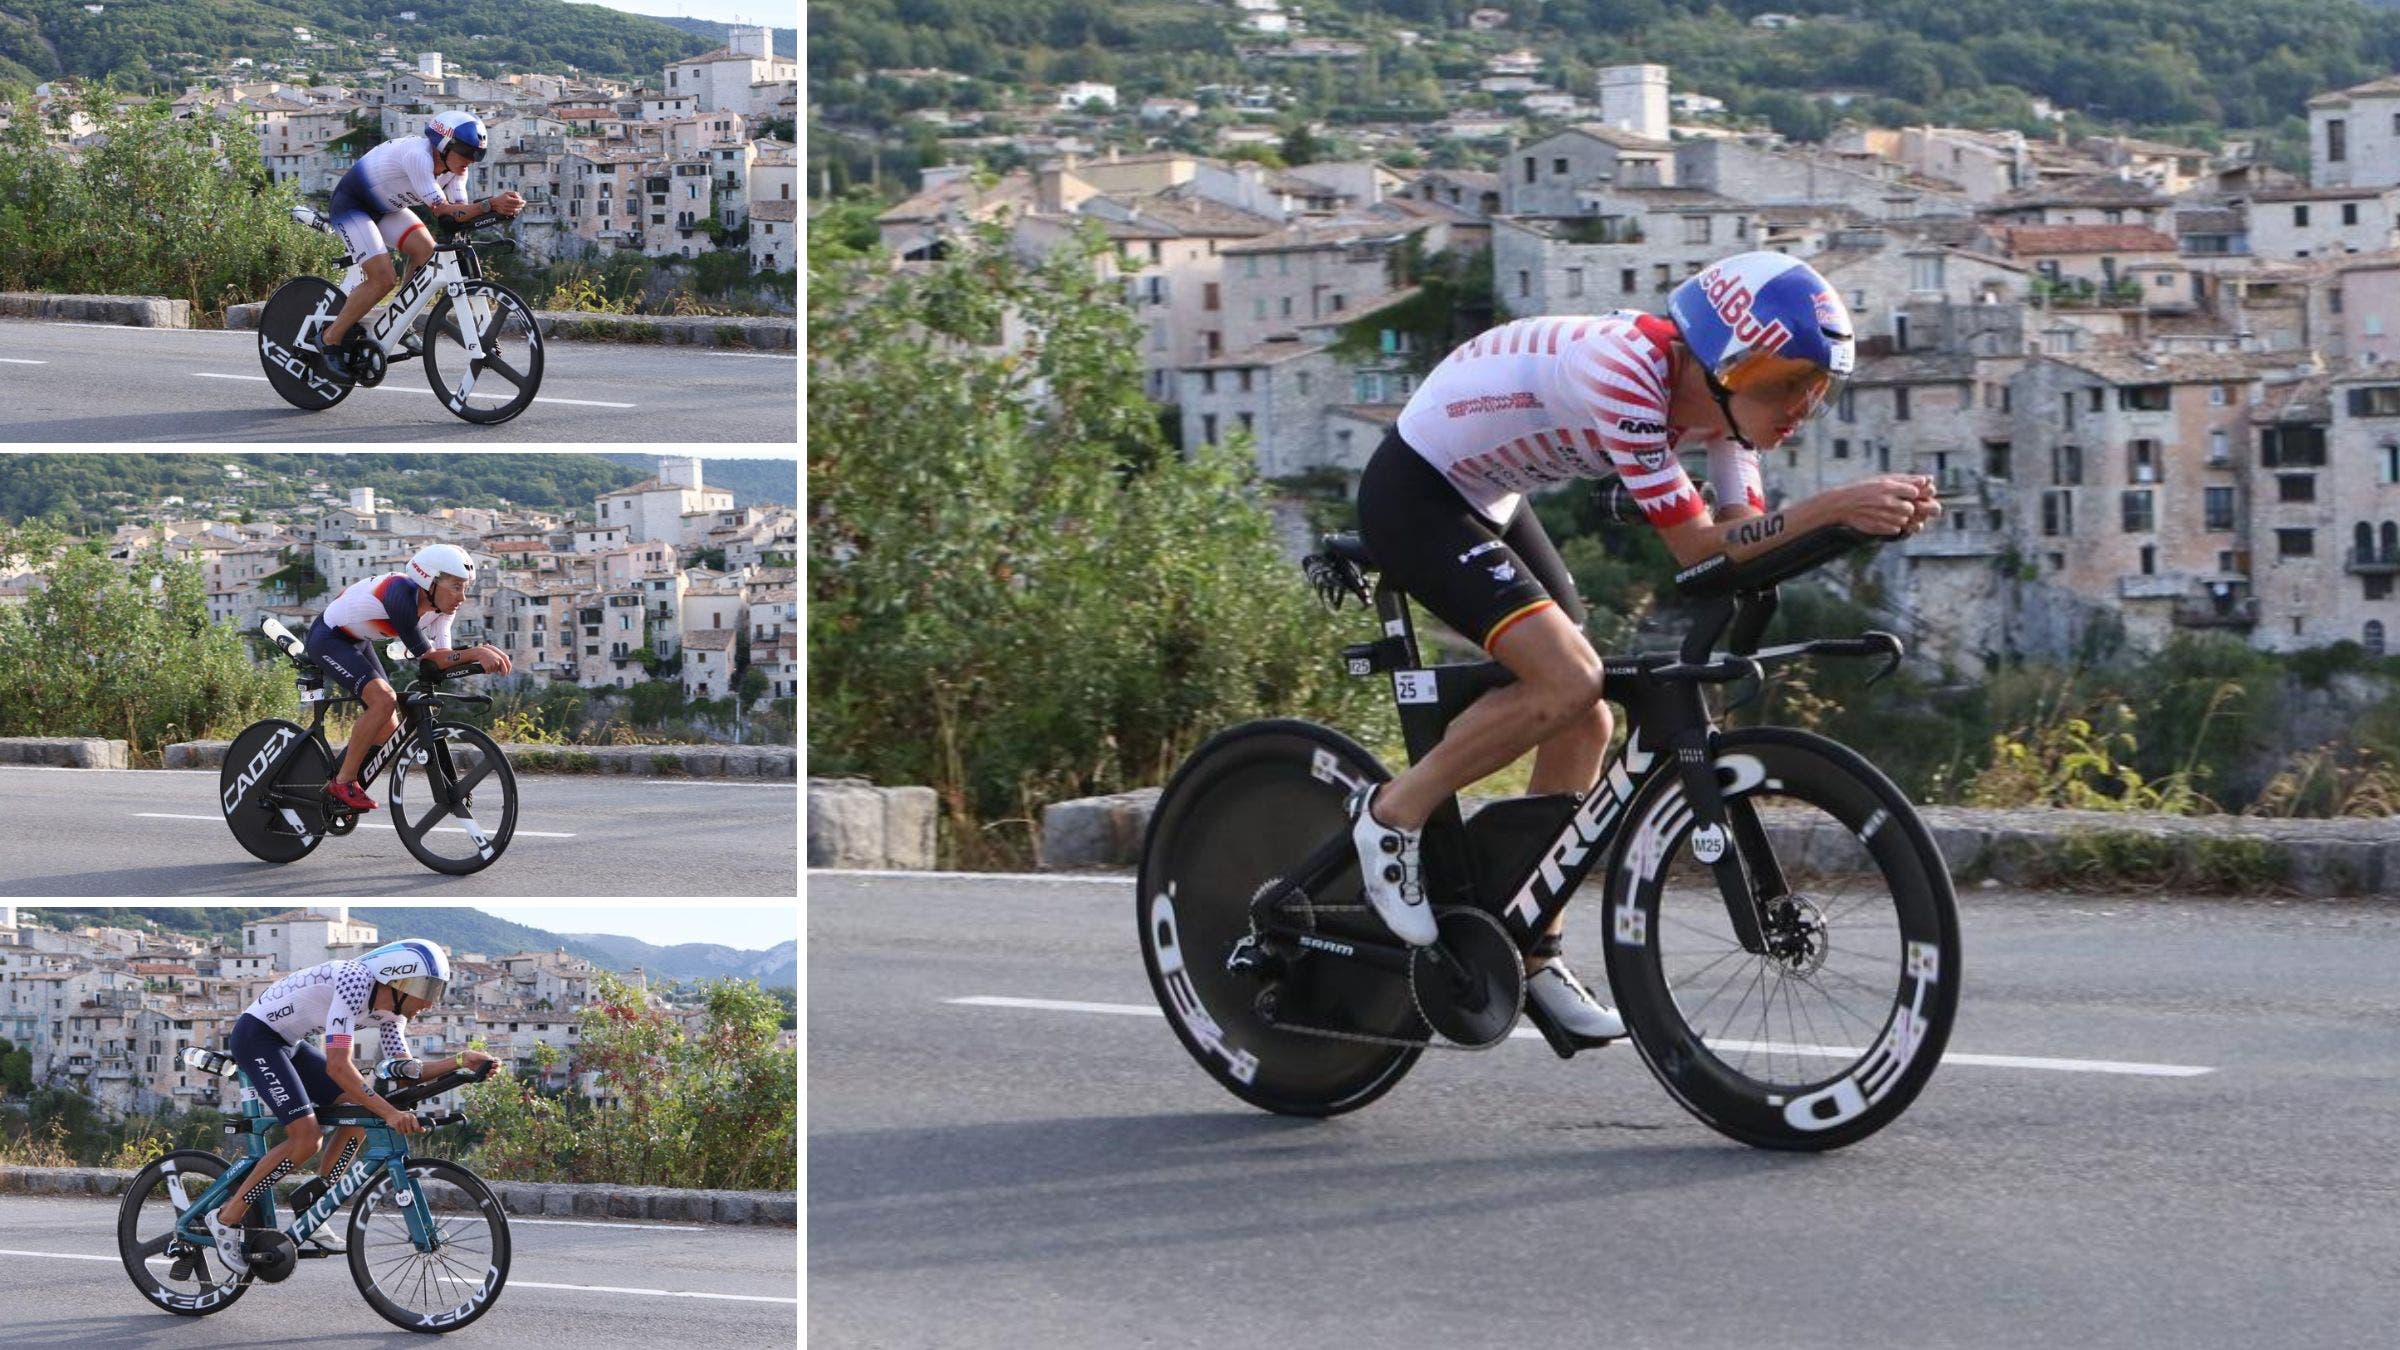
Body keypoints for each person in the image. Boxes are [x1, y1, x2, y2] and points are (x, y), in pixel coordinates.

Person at [1348, 251, 1942, 1041]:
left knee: (1585, 715)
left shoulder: (1726, 413)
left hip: (1491, 497)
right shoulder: (1627, 372)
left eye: (1818, 386)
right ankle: (1391, 815)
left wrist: (1854, 525)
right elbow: (1698, 549)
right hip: (1418, 491)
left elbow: (1743, 543)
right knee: (1567, 681)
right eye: (1789, 381)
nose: (1804, 406)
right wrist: (1834, 505)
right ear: (1726, 363)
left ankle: (1528, 947)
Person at [205, 940, 494, 1273]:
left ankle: (315, 1202)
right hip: (257, 1038)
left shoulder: (393, 1013)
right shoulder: (355, 981)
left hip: (291, 1045)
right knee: (306, 1138)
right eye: (427, 989)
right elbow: (338, 1066)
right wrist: (391, 1113)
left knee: (360, 1113)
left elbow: (405, 1071)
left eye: (437, 992)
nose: (430, 1002)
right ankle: (226, 1217)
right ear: (399, 980)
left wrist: (460, 1063)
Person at [309, 109, 524, 383]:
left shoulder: (456, 170)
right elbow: (444, 212)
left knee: (427, 254)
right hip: (353, 206)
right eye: (467, 152)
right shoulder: (418, 157)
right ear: (444, 145)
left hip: (386, 209)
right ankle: (330, 338)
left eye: (478, 155)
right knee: (383, 279)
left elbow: (459, 215)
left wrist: (500, 209)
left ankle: (398, 320)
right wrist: (490, 204)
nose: (472, 160)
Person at [309, 543, 513, 814]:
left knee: (388, 727)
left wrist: (477, 655)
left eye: (465, 587)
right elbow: (431, 658)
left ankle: (336, 781)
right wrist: (477, 652)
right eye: (456, 587)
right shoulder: (400, 595)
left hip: (358, 641)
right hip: (328, 639)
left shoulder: (441, 609)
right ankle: (343, 782)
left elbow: (443, 658)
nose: (462, 597)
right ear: (429, 580)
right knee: (383, 701)